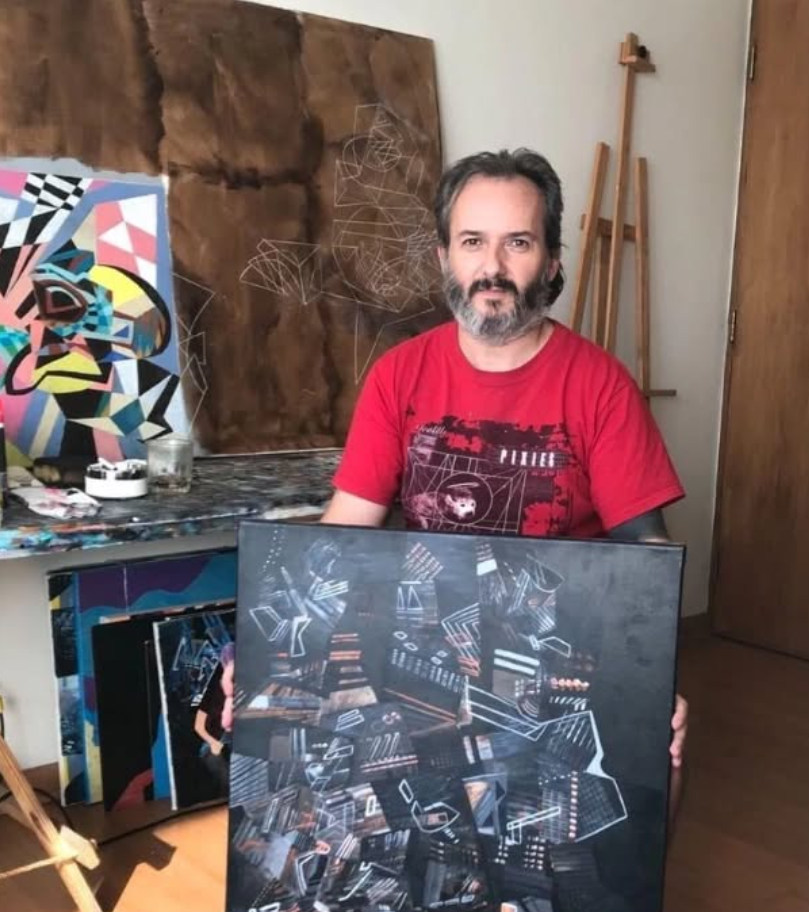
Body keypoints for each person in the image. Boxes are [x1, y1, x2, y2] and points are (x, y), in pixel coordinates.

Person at [320, 147, 687, 817]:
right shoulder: (398, 375)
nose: (491, 268)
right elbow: (345, 533)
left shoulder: (601, 385)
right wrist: (268, 649)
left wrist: (654, 676)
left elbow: (647, 557)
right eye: (471, 242)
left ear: (551, 262)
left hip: (561, 660)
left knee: (651, 772)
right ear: (444, 258)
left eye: (517, 242)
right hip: (426, 654)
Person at [193, 641, 235, 794]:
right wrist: (214, 743)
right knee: (211, 756)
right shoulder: (211, 692)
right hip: (215, 739)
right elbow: (198, 726)